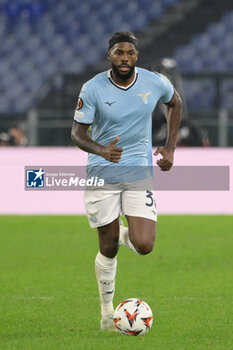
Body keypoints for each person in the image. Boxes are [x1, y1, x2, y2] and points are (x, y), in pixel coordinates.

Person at [71, 32, 182, 331]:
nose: (125, 58)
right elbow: (77, 134)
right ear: (110, 55)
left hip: (138, 170)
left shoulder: (153, 81)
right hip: (102, 171)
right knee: (108, 247)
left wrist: (170, 147)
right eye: (119, 52)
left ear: (136, 56)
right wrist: (101, 149)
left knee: (144, 245)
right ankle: (107, 312)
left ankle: (121, 233)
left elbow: (176, 103)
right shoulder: (93, 88)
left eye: (130, 53)